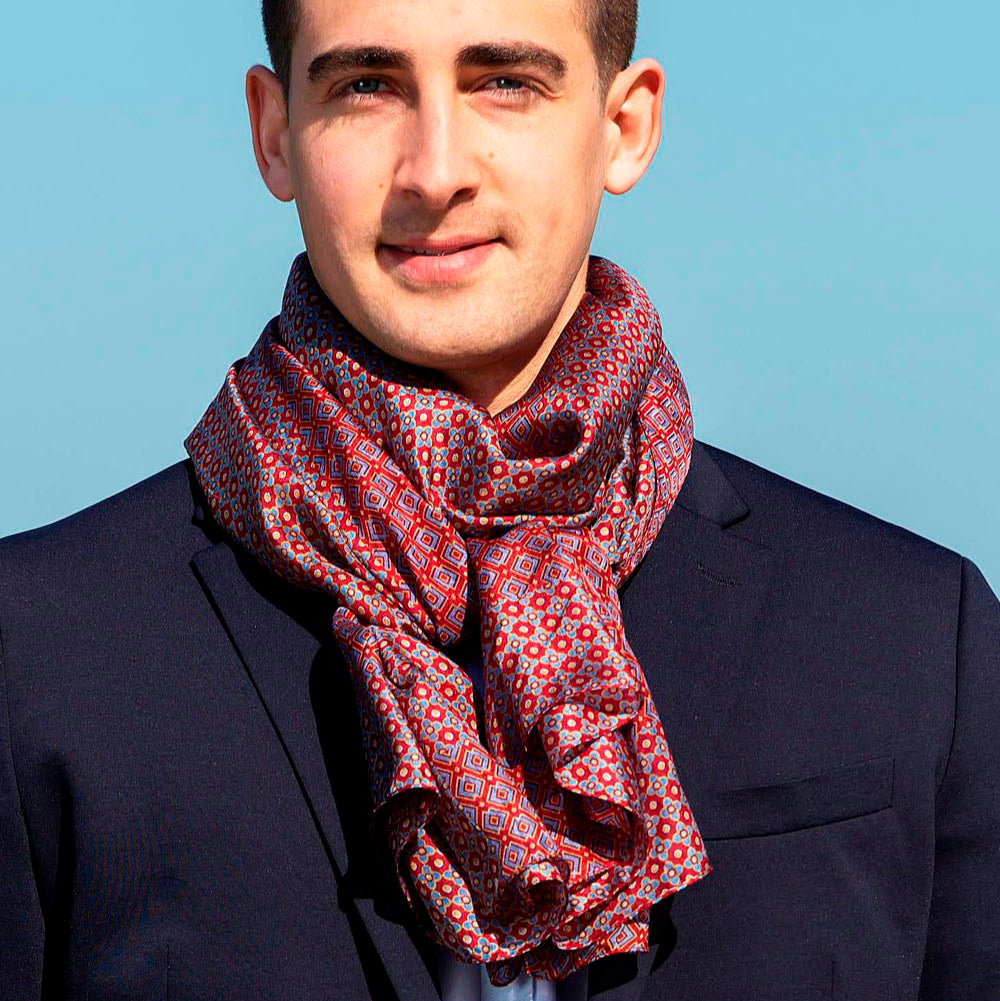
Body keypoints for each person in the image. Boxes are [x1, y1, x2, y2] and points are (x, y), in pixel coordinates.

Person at [0, 0, 997, 998]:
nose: (437, 170)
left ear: (624, 126)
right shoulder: (40, 648)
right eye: (365, 86)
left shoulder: (911, 635)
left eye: (505, 82)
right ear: (274, 135)